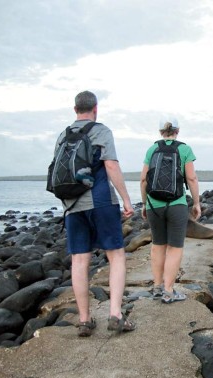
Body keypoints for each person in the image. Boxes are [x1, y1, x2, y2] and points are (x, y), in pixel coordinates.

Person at [53, 91, 135, 336]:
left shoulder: (62, 136)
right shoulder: (101, 131)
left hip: (72, 206)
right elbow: (111, 165)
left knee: (79, 260)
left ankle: (85, 320)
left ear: (75, 109)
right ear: (95, 108)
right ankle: (115, 315)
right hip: (100, 202)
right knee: (116, 255)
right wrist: (126, 200)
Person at [140, 115, 201, 304]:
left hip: (154, 205)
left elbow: (143, 180)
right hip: (177, 205)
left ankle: (157, 287)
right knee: (175, 248)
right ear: (178, 131)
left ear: (160, 132)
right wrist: (197, 203)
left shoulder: (152, 149)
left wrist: (144, 203)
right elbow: (191, 178)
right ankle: (168, 291)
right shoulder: (184, 149)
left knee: (158, 245)